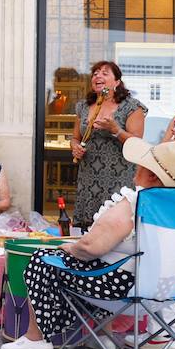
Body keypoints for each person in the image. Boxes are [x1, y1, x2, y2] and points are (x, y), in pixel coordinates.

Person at [2, 139, 175, 349]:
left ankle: (35, 339)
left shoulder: (135, 203)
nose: (136, 166)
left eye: (143, 164)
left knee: (43, 259)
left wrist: (69, 248)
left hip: (123, 291)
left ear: (152, 175)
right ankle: (104, 336)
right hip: (170, 290)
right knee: (113, 259)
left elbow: (91, 246)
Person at [69, 60, 148, 230]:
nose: (98, 76)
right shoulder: (84, 106)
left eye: (105, 73)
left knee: (113, 225)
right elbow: (75, 137)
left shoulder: (132, 107)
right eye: (95, 73)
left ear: (117, 82)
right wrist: (75, 147)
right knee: (88, 227)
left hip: (119, 176)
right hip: (89, 176)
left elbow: (136, 144)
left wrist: (115, 129)